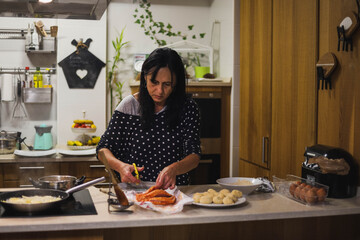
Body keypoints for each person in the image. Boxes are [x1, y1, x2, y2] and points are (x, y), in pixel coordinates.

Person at [96, 47, 201, 190]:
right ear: (145, 77)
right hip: (135, 191)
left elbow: (194, 156)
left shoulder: (187, 108)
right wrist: (120, 167)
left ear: (176, 83)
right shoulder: (129, 106)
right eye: (154, 82)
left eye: (167, 84)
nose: (159, 91)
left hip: (174, 192)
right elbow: (102, 150)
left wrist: (175, 168)